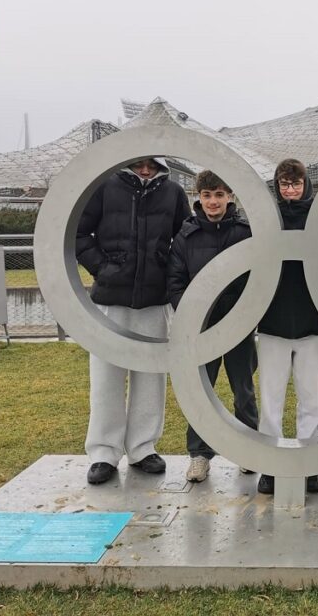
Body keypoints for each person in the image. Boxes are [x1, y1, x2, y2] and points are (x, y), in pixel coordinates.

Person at [75, 157, 188, 485]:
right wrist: (103, 268)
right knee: (105, 376)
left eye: (151, 165)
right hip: (111, 298)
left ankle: (142, 448)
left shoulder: (173, 193)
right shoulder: (104, 187)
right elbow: (79, 233)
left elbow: (186, 239)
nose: (145, 170)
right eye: (139, 164)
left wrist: (168, 272)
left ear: (160, 164)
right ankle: (103, 452)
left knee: (151, 375)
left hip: (154, 298)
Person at [167, 170, 259, 483]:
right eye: (207, 195)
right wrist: (193, 317)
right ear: (198, 197)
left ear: (230, 196)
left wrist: (245, 316)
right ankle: (199, 456)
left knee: (243, 391)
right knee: (200, 393)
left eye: (219, 195)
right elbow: (175, 282)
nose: (213, 202)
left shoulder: (245, 233)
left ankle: (248, 451)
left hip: (238, 327)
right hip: (202, 331)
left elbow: (258, 279)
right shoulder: (186, 235)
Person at [256, 158, 318, 495]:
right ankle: (270, 466)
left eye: (296, 183)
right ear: (277, 186)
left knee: (312, 399)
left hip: (313, 321)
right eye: (284, 184)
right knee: (271, 400)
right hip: (273, 321)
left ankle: (308, 464)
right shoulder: (266, 219)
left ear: (305, 184)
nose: (290, 190)